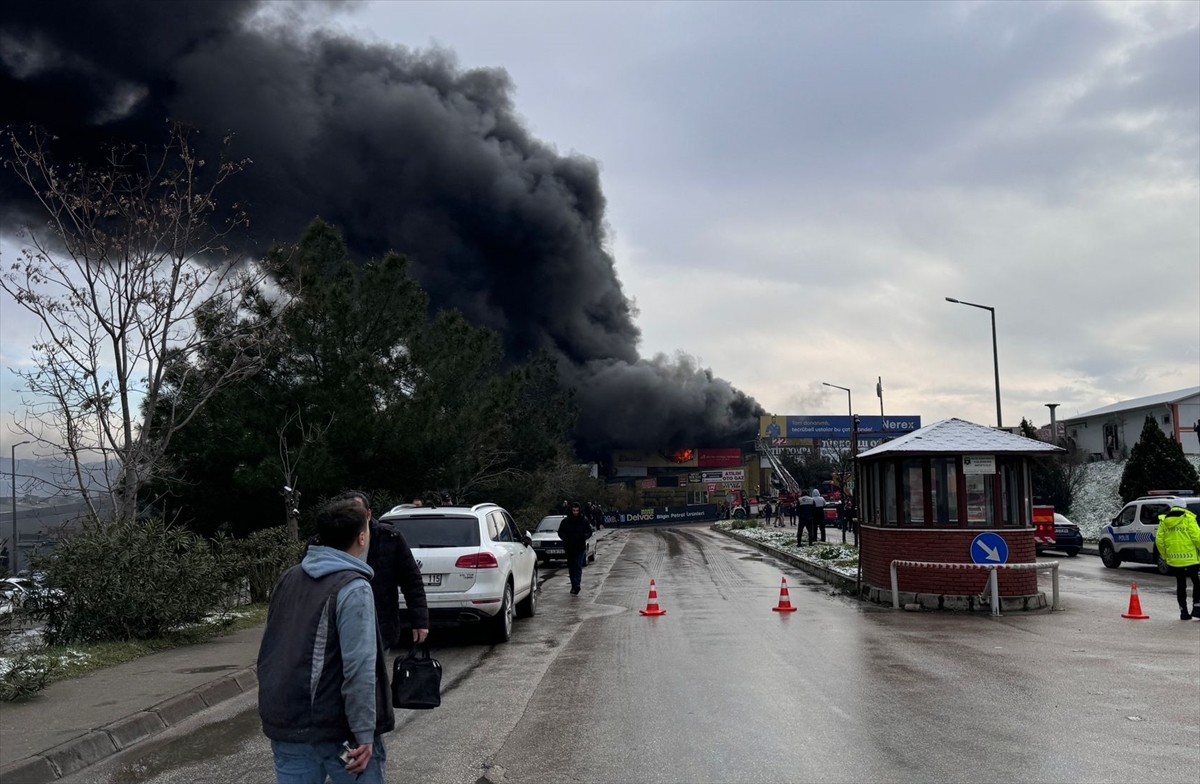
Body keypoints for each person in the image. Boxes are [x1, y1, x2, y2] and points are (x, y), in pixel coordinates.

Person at [258, 498, 391, 784]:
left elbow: (274, 646)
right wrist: (365, 734)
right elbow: (359, 670)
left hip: (287, 723)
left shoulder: (289, 577)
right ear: (362, 537)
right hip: (337, 731)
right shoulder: (353, 588)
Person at [326, 491, 430, 651]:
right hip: (335, 628)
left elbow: (411, 581)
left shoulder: (390, 538)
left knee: (371, 673)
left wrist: (420, 620)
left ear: (368, 515)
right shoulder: (324, 541)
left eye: (357, 514)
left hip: (378, 626)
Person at [1154, 505, 1200, 621]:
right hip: (1191, 559)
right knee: (1197, 582)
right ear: (1184, 509)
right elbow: (1197, 538)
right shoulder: (1188, 518)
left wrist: (1165, 556)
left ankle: (1183, 612)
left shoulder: (1164, 522)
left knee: (1181, 585)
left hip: (1174, 560)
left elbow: (1159, 541)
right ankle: (1197, 608)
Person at [558, 501, 593, 595]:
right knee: (571, 567)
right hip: (569, 547)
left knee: (578, 566)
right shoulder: (566, 521)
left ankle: (577, 585)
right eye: (574, 510)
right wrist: (565, 537)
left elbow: (590, 531)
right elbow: (560, 532)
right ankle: (573, 585)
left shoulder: (584, 520)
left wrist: (584, 536)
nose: (575, 512)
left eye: (577, 510)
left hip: (580, 547)